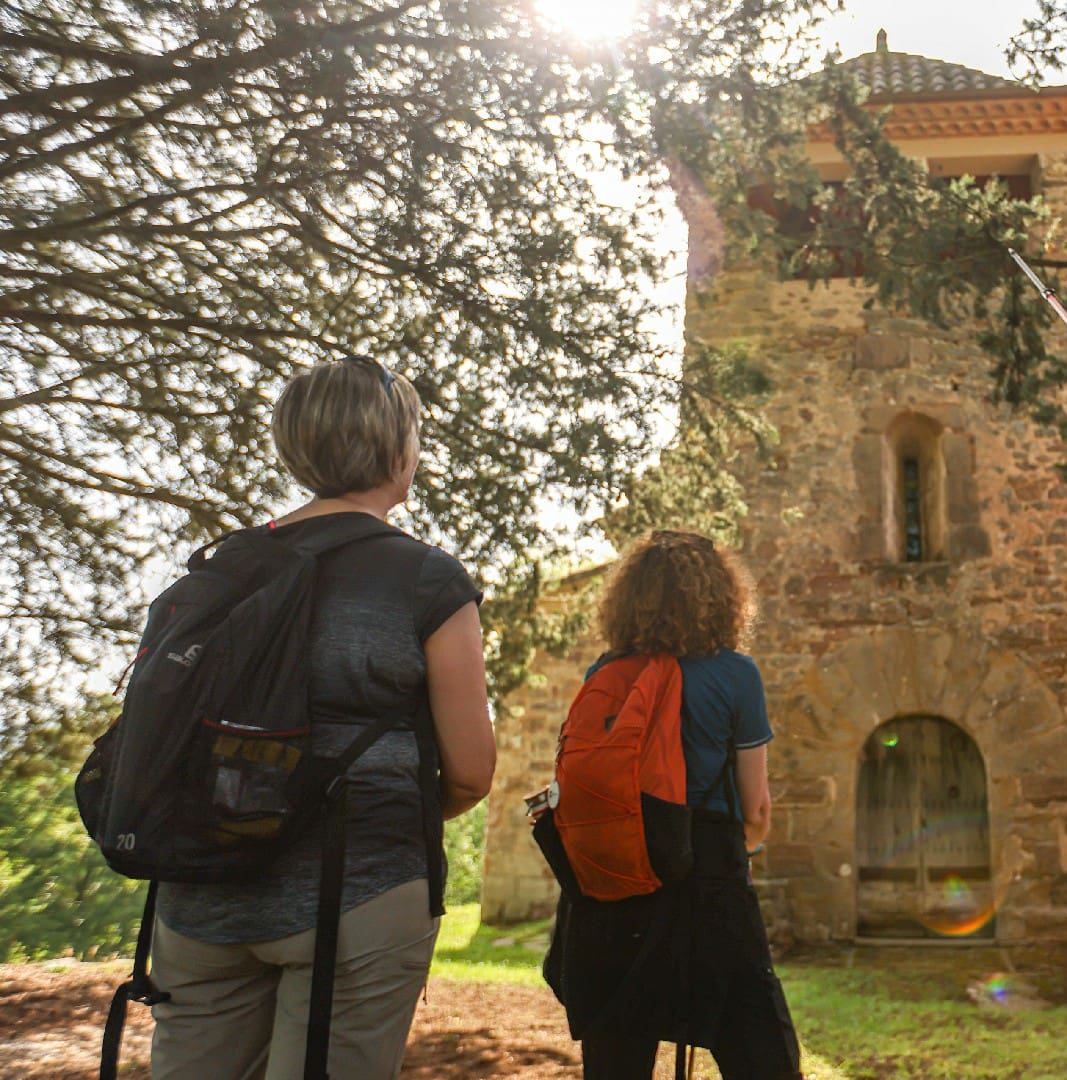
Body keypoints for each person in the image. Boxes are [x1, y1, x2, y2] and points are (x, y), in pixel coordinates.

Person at [148, 355, 496, 1079]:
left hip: (201, 887)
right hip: (359, 890)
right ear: (400, 451)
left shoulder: (216, 570)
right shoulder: (427, 580)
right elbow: (470, 770)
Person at [541, 529, 802, 1080]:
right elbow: (756, 809)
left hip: (613, 889)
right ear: (722, 598)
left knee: (617, 1060)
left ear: (630, 598)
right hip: (708, 882)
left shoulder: (604, 675)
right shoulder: (736, 675)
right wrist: (730, 855)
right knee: (762, 1054)